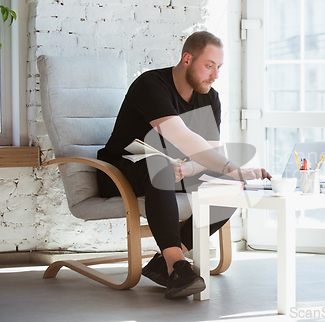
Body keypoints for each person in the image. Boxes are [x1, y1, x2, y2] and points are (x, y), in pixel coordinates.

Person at [96, 31, 272, 299]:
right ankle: (177, 266)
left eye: (219, 68)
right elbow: (181, 137)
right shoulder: (151, 84)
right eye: (209, 66)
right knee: (161, 165)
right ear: (187, 59)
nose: (214, 76)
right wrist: (235, 167)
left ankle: (168, 259)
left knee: (231, 185)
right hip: (120, 169)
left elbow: (209, 151)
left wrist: (191, 169)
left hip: (169, 169)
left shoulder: (208, 96)